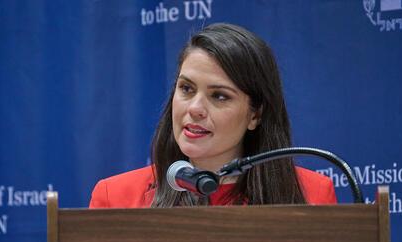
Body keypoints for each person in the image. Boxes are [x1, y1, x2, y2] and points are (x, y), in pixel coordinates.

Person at [90, 23, 336, 208]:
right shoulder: (115, 196)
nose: (195, 108)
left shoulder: (312, 194)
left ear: (255, 115)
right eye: (186, 89)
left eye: (219, 96)